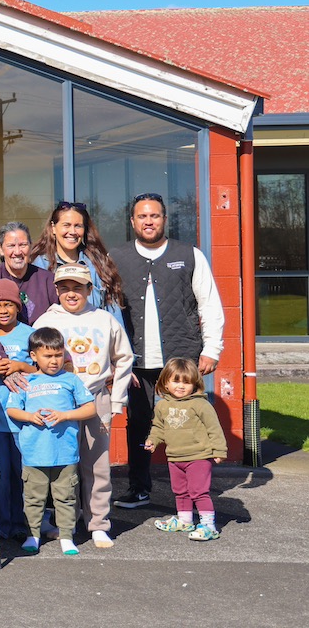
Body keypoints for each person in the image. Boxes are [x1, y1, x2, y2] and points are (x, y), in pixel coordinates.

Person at [113, 192, 225, 510]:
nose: (149, 221)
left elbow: (210, 304)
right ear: (133, 221)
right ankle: (139, 488)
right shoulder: (116, 258)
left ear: (164, 219)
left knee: (188, 423)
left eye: (155, 216)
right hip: (136, 360)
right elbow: (107, 309)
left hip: (181, 358)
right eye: (142, 216)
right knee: (138, 423)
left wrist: (212, 349)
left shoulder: (189, 255)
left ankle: (196, 491)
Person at [31, 263, 135, 549]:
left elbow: (124, 357)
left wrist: (117, 399)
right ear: (56, 291)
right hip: (59, 399)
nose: (71, 294)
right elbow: (34, 361)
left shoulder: (104, 320)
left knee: (97, 464)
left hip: (97, 397)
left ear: (89, 290)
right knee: (65, 466)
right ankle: (69, 519)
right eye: (64, 288)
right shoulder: (45, 320)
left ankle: (98, 523)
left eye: (78, 288)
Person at [4, 326, 96, 555]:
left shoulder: (71, 380)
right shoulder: (26, 381)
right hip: (34, 453)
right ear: (34, 356)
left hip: (65, 453)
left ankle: (66, 536)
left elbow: (91, 408)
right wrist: (29, 416)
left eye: (58, 355)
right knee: (34, 498)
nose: (54, 361)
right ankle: (33, 535)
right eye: (48, 356)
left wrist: (66, 415)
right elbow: (13, 410)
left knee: (65, 497)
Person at [146, 357, 227, 541]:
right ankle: (185, 520)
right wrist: (153, 440)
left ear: (195, 384)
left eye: (187, 382)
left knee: (199, 491)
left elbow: (214, 428)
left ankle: (208, 526)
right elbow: (158, 427)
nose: (181, 386)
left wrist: (220, 450)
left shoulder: (200, 404)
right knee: (180, 491)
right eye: (176, 381)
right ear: (165, 382)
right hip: (175, 457)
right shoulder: (162, 405)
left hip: (199, 456)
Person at [0, 279, 36, 540]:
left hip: (23, 421)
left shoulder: (29, 334)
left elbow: (45, 370)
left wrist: (21, 367)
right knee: (0, 477)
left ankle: (24, 524)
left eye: (9, 305)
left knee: (23, 475)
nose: (3, 310)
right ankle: (0, 526)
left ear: (18, 306)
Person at [0, 222, 56, 372]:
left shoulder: (47, 281)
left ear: (31, 247)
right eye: (11, 246)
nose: (18, 251)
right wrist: (5, 367)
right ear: (0, 249)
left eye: (23, 245)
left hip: (43, 370)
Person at [30, 202, 123, 320]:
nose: (72, 232)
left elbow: (114, 317)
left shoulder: (98, 265)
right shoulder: (38, 266)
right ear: (53, 227)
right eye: (66, 225)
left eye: (78, 226)